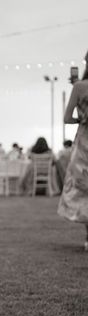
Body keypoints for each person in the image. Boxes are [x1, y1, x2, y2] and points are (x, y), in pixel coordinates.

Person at [58, 56, 88, 251]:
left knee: (84, 188)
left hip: (85, 141)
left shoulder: (79, 87)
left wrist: (82, 118)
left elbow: (67, 118)